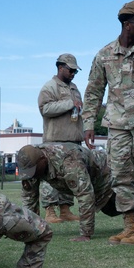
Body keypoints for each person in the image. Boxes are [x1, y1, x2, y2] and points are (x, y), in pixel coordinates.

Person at [82, 0, 134, 246]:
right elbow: (94, 91)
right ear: (128, 25)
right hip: (117, 126)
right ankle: (130, 225)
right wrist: (88, 123)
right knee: (119, 176)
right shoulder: (104, 55)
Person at [16, 143, 120, 242]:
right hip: (91, 178)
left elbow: (85, 195)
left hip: (106, 175)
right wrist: (30, 230)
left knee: (115, 206)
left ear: (43, 160)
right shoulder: (32, 166)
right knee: (110, 209)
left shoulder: (69, 161)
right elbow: (29, 198)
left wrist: (85, 233)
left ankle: (133, 225)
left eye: (33, 170)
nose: (31, 175)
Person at [37, 53, 84, 225]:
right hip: (55, 141)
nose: (73, 74)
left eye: (75, 71)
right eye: (70, 70)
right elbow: (45, 109)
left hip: (73, 141)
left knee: (69, 177)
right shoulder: (49, 87)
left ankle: (65, 209)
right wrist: (69, 104)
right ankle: (50, 210)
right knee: (52, 177)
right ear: (60, 67)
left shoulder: (74, 88)